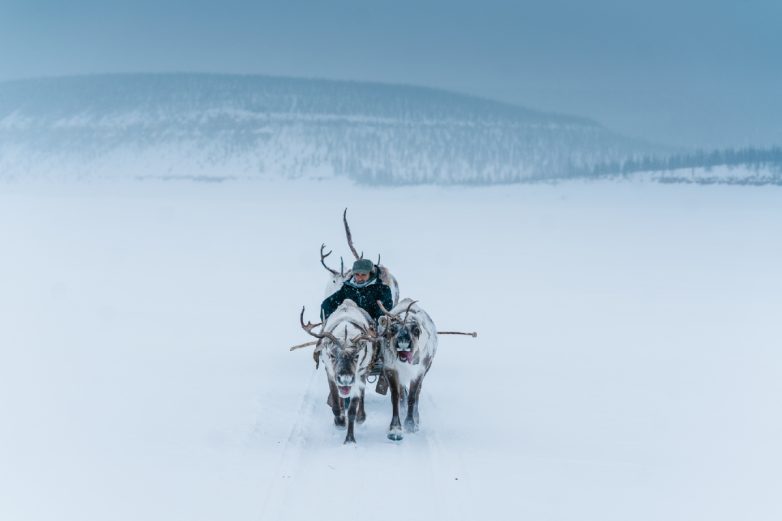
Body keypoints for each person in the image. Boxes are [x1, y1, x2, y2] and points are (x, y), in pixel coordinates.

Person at [321, 259, 393, 321]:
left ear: (371, 274)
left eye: (363, 275)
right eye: (357, 274)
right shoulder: (347, 288)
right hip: (348, 321)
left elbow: (384, 310)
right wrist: (327, 319)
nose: (359, 278)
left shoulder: (382, 290)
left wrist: (377, 324)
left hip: (370, 328)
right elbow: (329, 303)